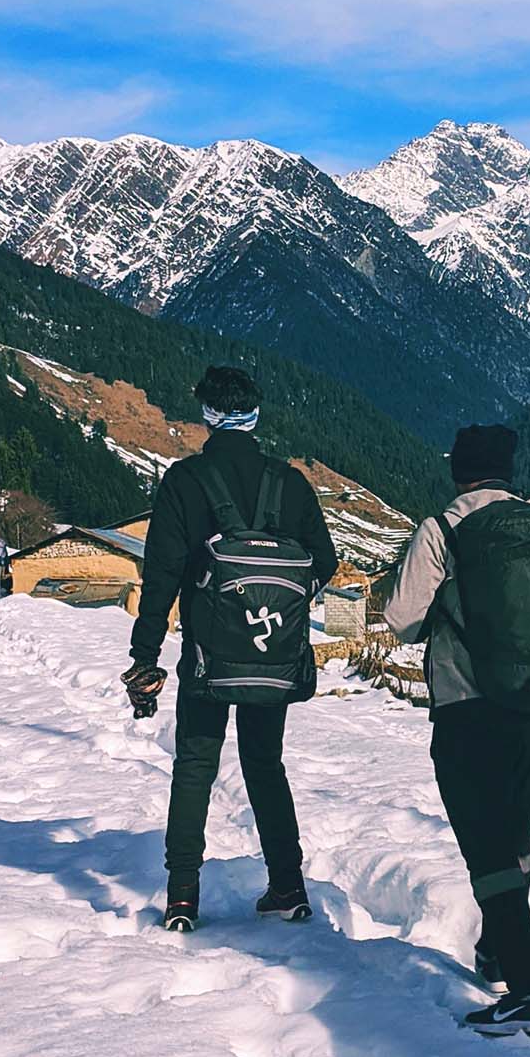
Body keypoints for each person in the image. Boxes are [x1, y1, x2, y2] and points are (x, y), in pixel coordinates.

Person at [384, 424, 530, 1037]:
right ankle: (496, 950)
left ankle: (529, 991)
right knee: (512, 832)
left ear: (459, 472)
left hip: (466, 705)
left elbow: (402, 620)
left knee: (485, 844)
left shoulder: (443, 529)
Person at [123, 365, 337, 932]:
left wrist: (145, 655)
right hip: (274, 657)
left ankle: (183, 897)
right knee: (265, 764)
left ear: (207, 415)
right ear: (255, 414)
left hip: (206, 658)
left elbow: (162, 574)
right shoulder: (288, 482)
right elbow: (326, 560)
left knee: (195, 765)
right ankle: (288, 887)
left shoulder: (185, 481)